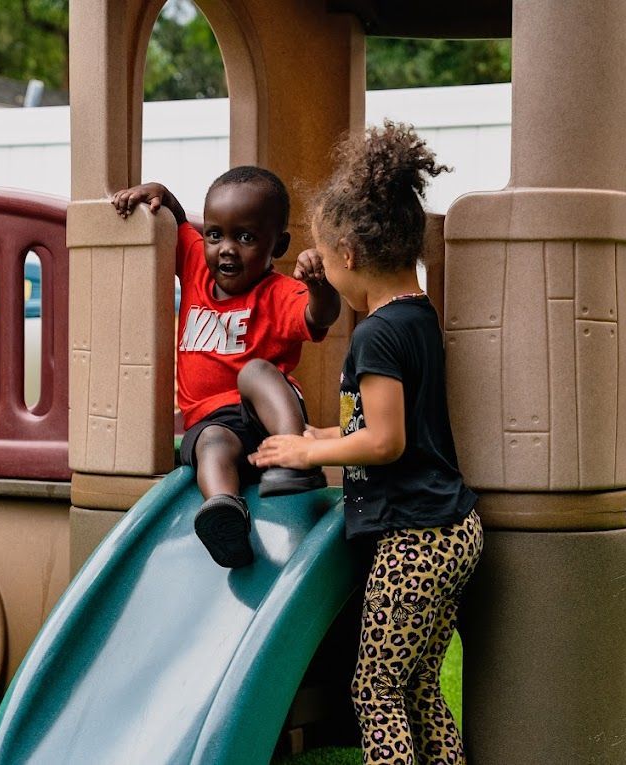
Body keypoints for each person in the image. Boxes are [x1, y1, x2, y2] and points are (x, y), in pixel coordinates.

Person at [251, 121, 482, 764]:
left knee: (375, 692)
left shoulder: (375, 336)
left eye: (324, 255)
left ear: (348, 256)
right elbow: (378, 425)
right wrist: (323, 433)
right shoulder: (415, 316)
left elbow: (384, 441)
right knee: (418, 688)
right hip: (450, 530)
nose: (317, 266)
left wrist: (306, 454)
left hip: (415, 539)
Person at [110, 167, 342, 568]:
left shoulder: (278, 291)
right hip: (213, 422)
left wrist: (320, 284)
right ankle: (224, 514)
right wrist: (161, 193)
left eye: (247, 237)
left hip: (269, 417)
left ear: (278, 244)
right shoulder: (196, 268)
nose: (227, 248)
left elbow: (319, 316)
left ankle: (294, 460)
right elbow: (180, 224)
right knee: (212, 446)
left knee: (253, 371)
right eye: (215, 235)